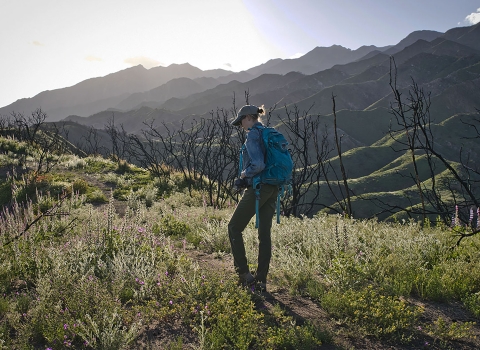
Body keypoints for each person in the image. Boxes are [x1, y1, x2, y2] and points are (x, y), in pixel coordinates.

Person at [228, 104, 278, 292]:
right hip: (274, 187)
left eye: (241, 121)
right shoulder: (268, 133)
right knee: (264, 234)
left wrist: (243, 175)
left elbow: (257, 164)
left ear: (248, 117)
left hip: (259, 187)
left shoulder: (253, 135)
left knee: (234, 227)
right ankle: (261, 280)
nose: (241, 125)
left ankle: (244, 274)